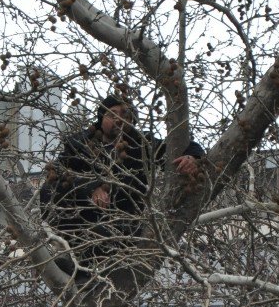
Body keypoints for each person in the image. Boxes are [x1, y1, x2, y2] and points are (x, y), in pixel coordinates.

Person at [39, 96, 205, 273]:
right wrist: (91, 188)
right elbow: (56, 173)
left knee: (104, 236)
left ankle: (84, 268)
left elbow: (178, 148)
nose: (119, 118)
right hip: (82, 215)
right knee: (48, 191)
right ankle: (73, 252)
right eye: (113, 114)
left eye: (125, 114)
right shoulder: (80, 144)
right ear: (102, 117)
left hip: (125, 217)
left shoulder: (140, 143)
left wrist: (193, 158)